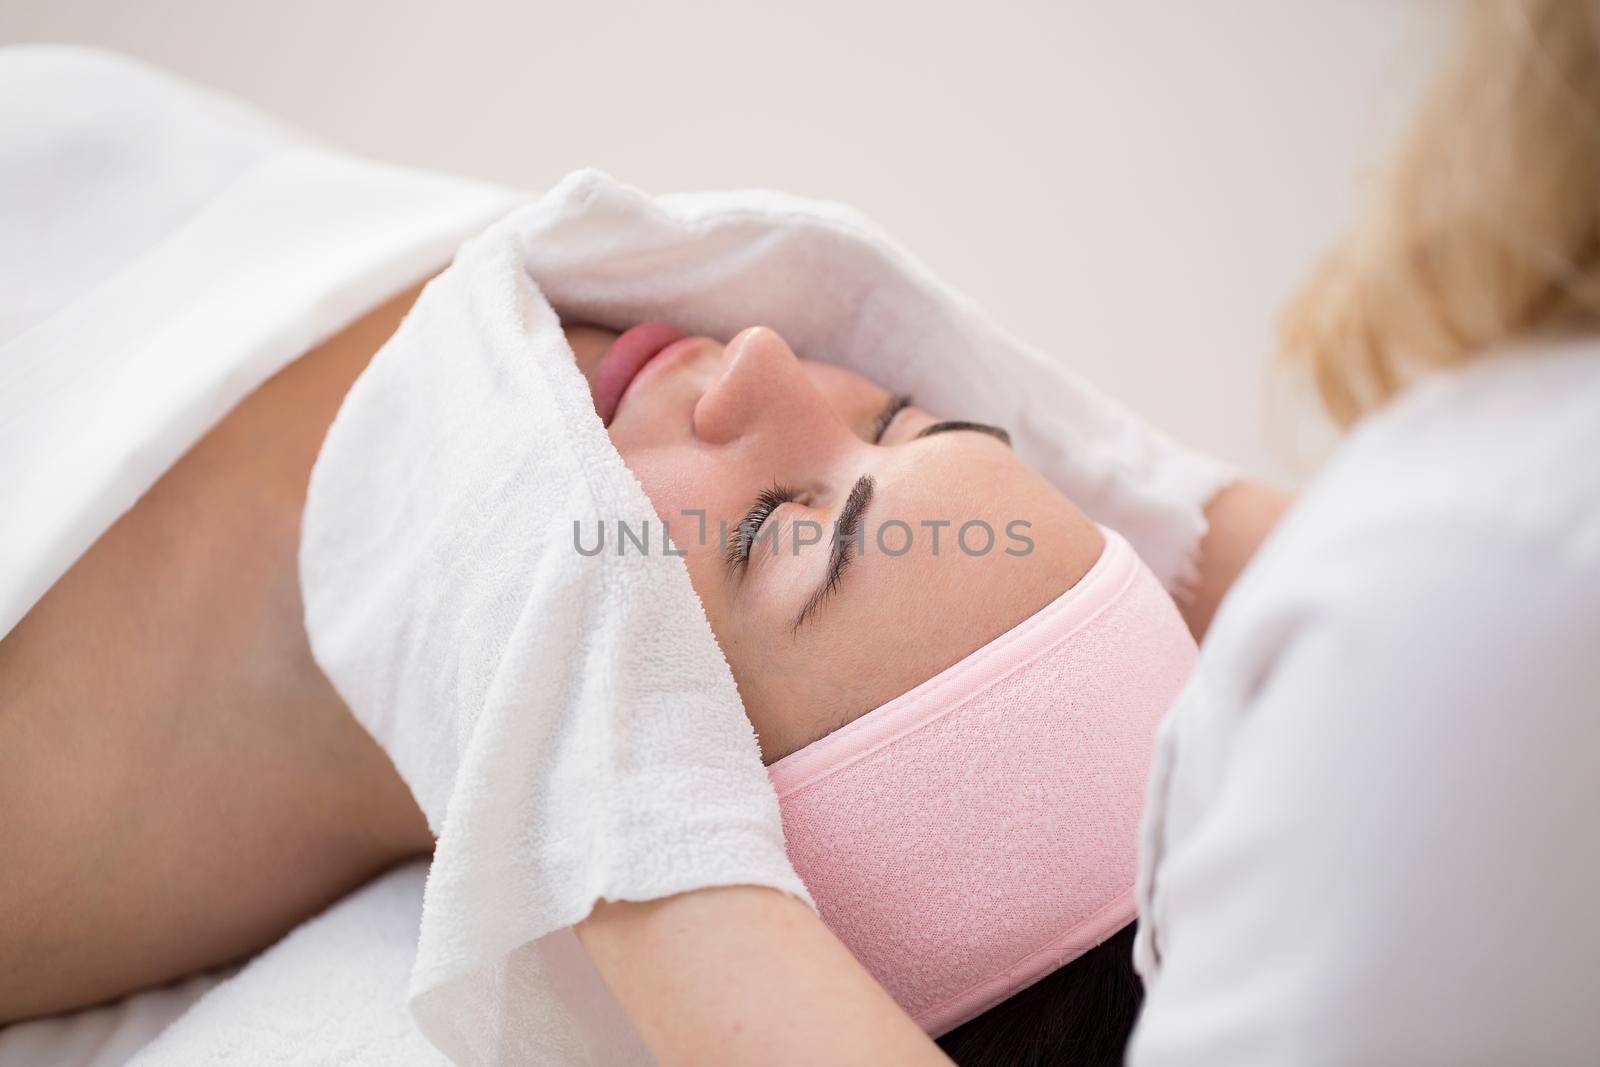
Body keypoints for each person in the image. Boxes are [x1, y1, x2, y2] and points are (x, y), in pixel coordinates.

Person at [572, 2, 1600, 1064]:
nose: (762, 352)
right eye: (895, 413)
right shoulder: (1483, 578)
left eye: (771, 531)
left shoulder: (1508, 590)